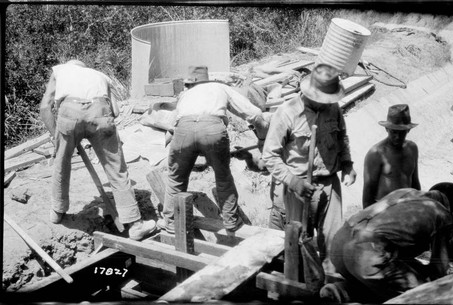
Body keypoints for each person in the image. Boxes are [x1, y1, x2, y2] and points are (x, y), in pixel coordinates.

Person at [39, 59, 156, 240]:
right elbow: (116, 112)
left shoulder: (60, 71)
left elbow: (45, 107)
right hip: (100, 113)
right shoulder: (100, 76)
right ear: (85, 68)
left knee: (61, 164)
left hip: (70, 114)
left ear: (70, 66)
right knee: (116, 169)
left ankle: (57, 210)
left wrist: (58, 138)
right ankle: (135, 224)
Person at [262, 63, 357, 261]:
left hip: (329, 185)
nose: (326, 103)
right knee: (297, 247)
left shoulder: (333, 109)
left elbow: (342, 138)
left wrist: (347, 164)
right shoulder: (287, 112)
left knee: (334, 245)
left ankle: (329, 286)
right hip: (297, 187)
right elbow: (270, 156)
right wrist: (293, 181)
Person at [158, 66, 266, 234]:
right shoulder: (220, 88)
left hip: (183, 130)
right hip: (213, 130)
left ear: (189, 84)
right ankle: (230, 220)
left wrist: (182, 148)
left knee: (175, 178)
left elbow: (172, 127)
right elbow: (254, 113)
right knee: (222, 176)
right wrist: (262, 138)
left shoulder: (185, 95)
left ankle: (171, 222)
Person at [322, 182, 453, 303]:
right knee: (427, 292)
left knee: (382, 282)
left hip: (340, 245)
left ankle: (340, 291)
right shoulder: (443, 214)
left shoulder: (406, 192)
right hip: (366, 254)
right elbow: (440, 271)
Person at [362, 104, 421, 208]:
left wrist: (419, 204)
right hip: (385, 210)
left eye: (401, 132)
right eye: (394, 132)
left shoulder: (412, 148)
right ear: (386, 129)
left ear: (408, 130)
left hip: (408, 207)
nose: (397, 137)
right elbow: (368, 192)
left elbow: (415, 182)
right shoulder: (377, 153)